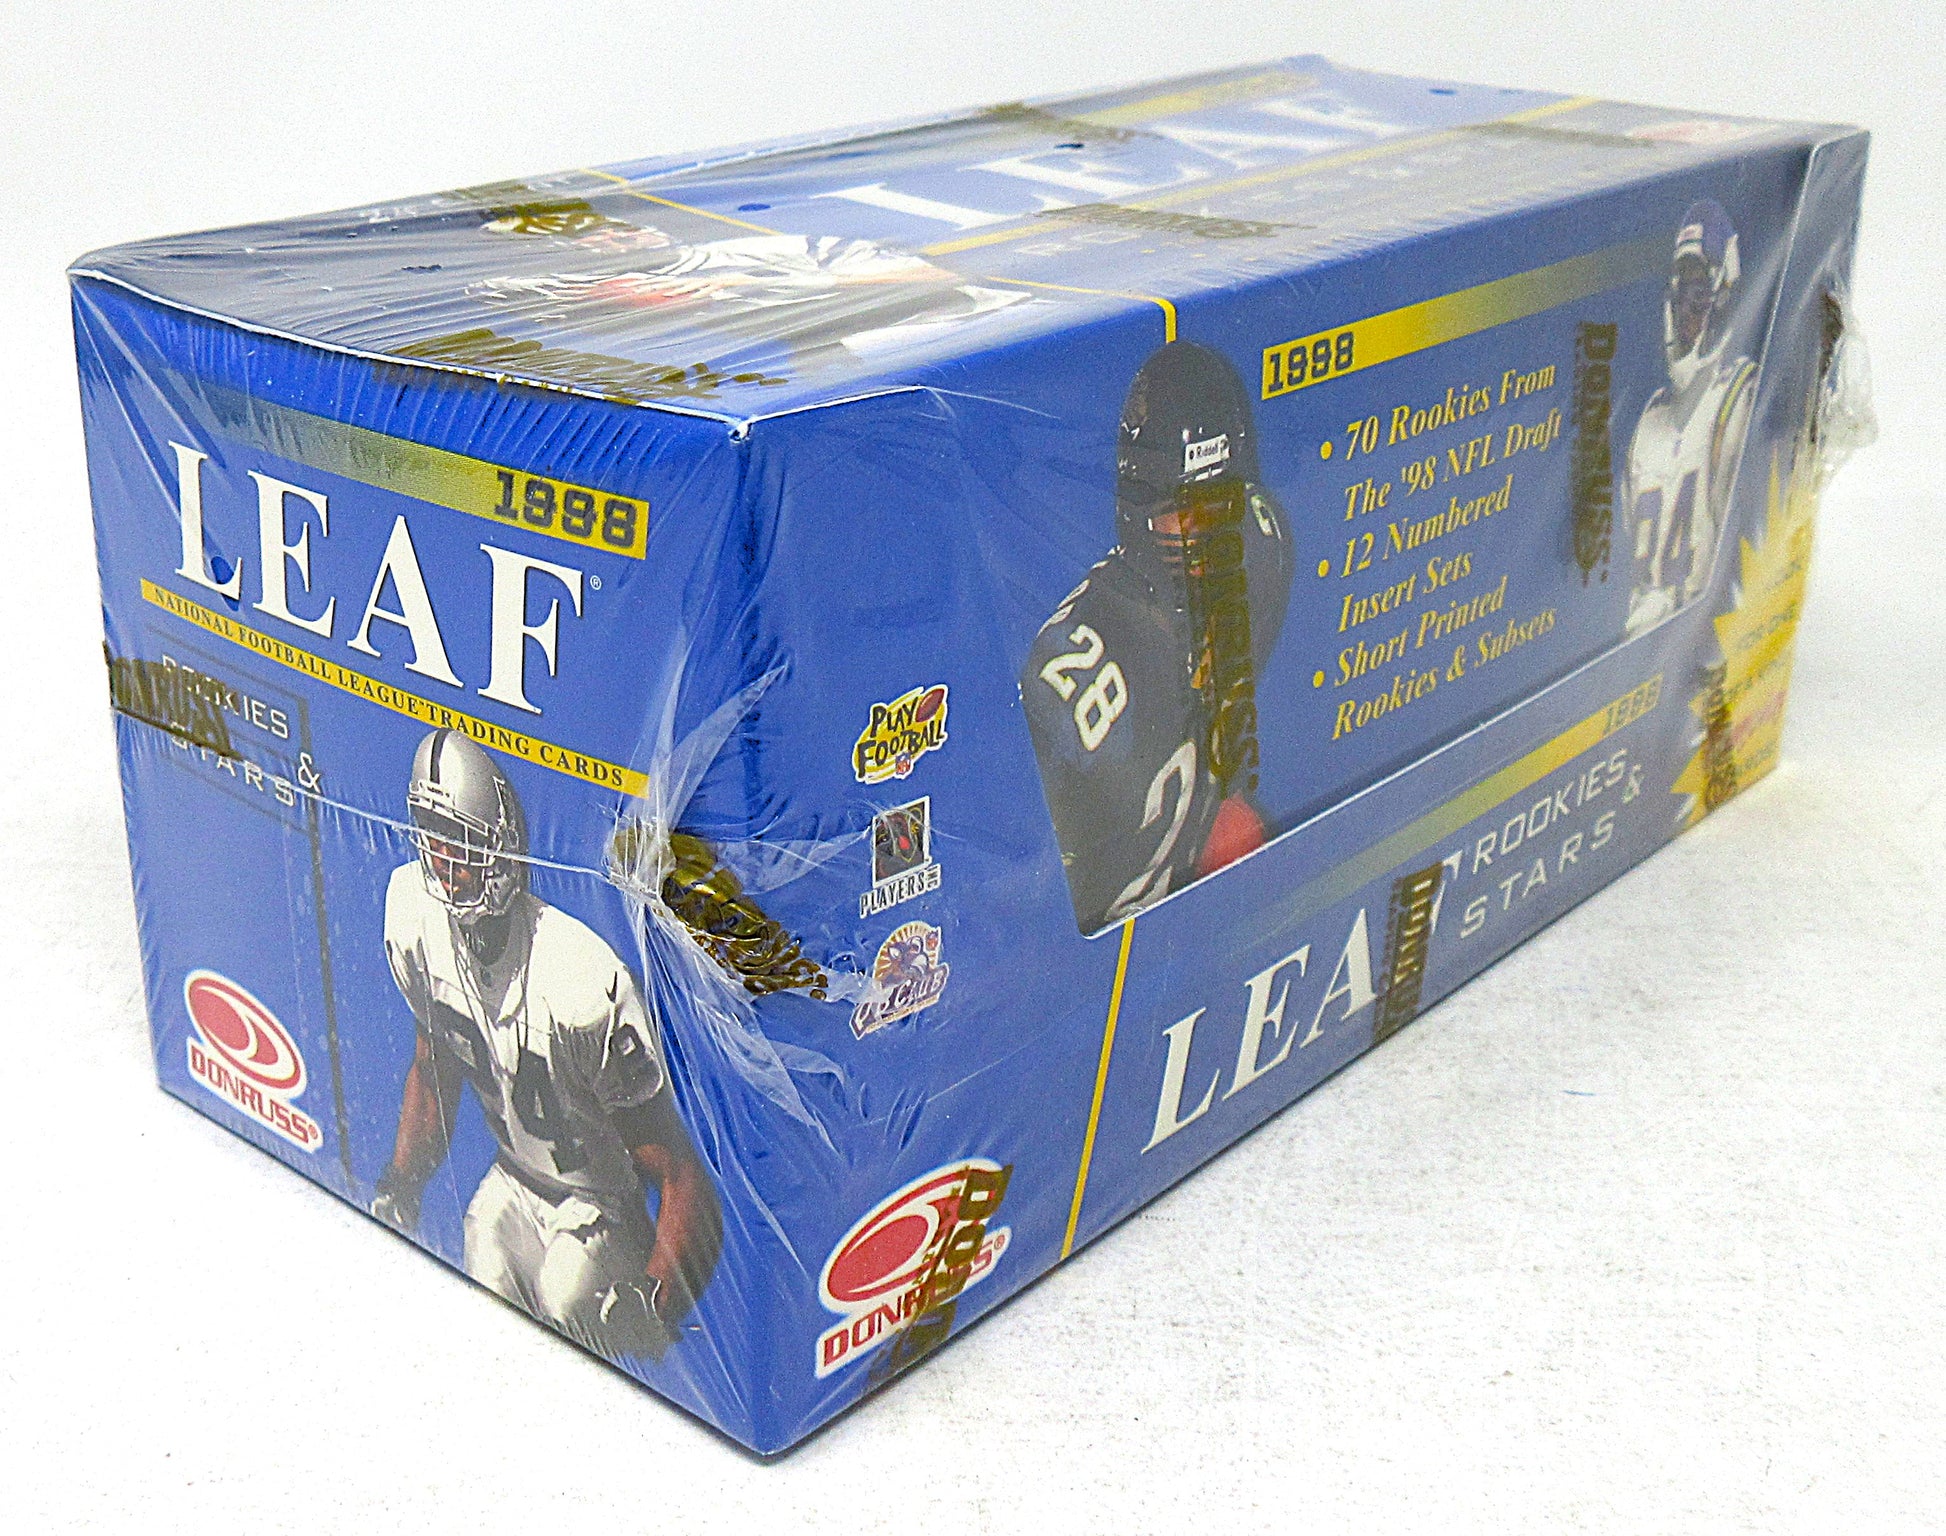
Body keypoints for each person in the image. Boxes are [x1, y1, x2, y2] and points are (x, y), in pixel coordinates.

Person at [372, 728, 721, 1361]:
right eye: (432, 837)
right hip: (515, 1180)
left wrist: (654, 1298)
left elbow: (679, 1174)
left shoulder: (578, 978)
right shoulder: (414, 920)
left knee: (565, 1294)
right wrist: (401, 1184)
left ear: (500, 848)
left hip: (600, 1206)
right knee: (483, 1256)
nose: (444, 865)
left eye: (460, 841)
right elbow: (433, 1067)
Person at [1022, 341, 1292, 933]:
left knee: (1239, 833)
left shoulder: (1262, 556)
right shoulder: (1082, 660)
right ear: (1138, 510)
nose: (1204, 538)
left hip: (1186, 880)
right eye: (1183, 512)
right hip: (1112, 933)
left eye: (1220, 507)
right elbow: (1036, 887)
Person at [1623, 200, 1759, 637]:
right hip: (1641, 639)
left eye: (1699, 295)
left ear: (1723, 298)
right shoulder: (1651, 421)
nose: (1686, 312)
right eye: (1681, 295)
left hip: (1702, 641)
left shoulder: (1741, 397)